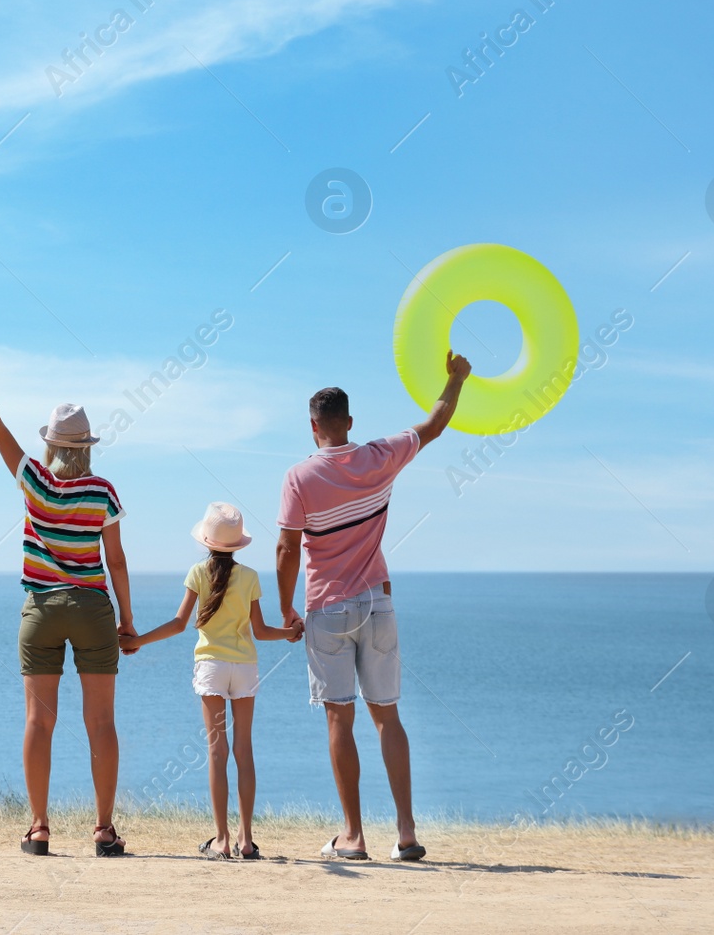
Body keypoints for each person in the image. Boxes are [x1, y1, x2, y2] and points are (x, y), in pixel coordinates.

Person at [275, 349, 471, 862]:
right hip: (378, 604)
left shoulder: (299, 478)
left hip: (327, 608)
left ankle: (354, 837)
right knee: (389, 717)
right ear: (350, 423)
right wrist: (456, 379)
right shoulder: (381, 456)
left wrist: (285, 610)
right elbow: (435, 424)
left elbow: (286, 548)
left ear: (313, 426)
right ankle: (406, 835)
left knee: (340, 721)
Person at [0, 349, 137, 857]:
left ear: (49, 444)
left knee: (38, 721)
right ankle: (103, 830)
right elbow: (115, 563)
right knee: (101, 722)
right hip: (93, 608)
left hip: (41, 610)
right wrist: (128, 620)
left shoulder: (34, 481)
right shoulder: (103, 492)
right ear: (87, 447)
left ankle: (39, 827)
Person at [120, 502, 302, 860]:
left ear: (207, 540)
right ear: (237, 544)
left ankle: (221, 840)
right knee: (243, 751)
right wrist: (290, 633)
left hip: (211, 667)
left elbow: (177, 624)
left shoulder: (197, 573)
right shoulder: (249, 577)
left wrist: (136, 641)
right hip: (244, 666)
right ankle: (246, 840)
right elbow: (261, 632)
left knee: (216, 754)